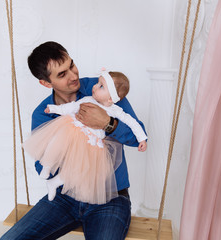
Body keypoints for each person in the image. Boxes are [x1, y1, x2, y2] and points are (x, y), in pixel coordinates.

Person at [0, 41, 146, 240]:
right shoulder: (43, 114)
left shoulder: (104, 88)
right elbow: (41, 165)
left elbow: (137, 137)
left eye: (71, 65)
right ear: (45, 83)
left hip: (110, 197)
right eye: (62, 74)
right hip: (65, 197)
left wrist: (107, 123)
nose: (73, 75)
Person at [22, 70, 147, 204]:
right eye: (62, 74)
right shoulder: (88, 99)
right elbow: (71, 107)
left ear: (111, 98)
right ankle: (47, 165)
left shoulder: (116, 110)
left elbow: (133, 123)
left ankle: (54, 182)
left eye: (101, 86)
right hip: (73, 130)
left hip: (91, 143)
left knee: (81, 169)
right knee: (57, 140)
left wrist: (141, 139)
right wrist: (53, 109)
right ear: (46, 83)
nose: (95, 86)